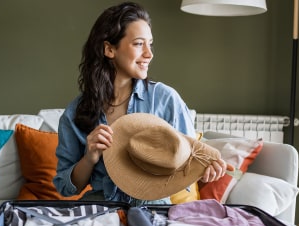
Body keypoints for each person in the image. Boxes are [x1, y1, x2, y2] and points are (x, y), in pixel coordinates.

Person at [53, 1, 226, 206]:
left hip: (154, 212)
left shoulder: (165, 99)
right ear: (109, 49)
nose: (149, 54)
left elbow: (189, 162)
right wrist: (89, 157)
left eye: (150, 44)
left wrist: (204, 171)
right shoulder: (75, 113)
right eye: (138, 43)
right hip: (99, 210)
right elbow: (65, 188)